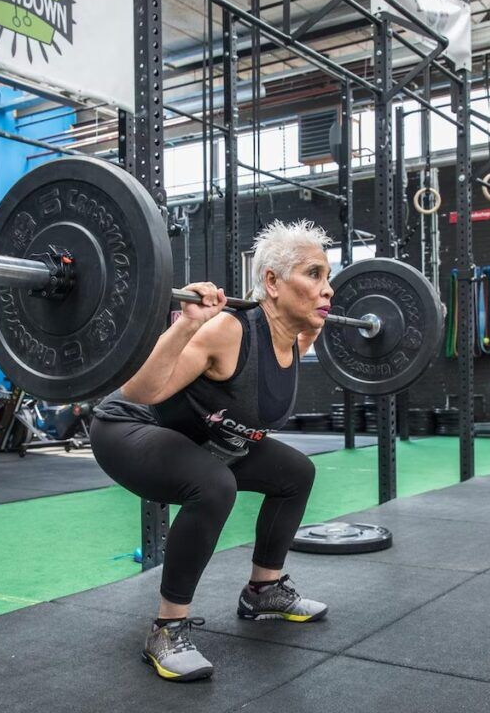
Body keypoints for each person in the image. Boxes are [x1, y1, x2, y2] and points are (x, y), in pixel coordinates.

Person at [90, 219, 334, 682]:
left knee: (296, 473)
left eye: (328, 277)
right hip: (129, 425)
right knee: (214, 485)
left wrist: (309, 323)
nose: (328, 290)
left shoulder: (295, 338)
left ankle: (264, 591)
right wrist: (186, 326)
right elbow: (141, 392)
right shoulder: (229, 330)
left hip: (198, 434)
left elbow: (286, 355)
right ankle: (167, 628)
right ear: (272, 283)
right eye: (314, 274)